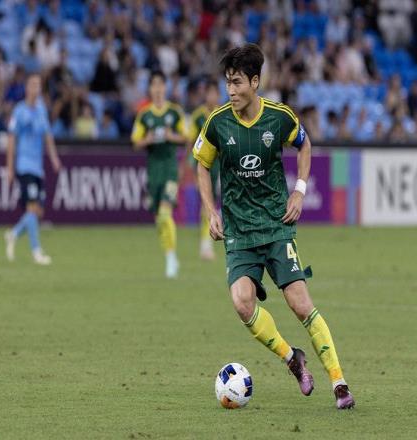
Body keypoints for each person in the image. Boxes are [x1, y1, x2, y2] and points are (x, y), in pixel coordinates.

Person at [193, 43, 355, 409]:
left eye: (237, 82)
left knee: (300, 305)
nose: (231, 90)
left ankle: (339, 382)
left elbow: (305, 145)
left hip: (275, 226)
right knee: (242, 303)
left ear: (255, 82)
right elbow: (202, 163)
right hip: (239, 232)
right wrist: (210, 210)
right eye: (227, 83)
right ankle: (291, 358)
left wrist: (300, 191)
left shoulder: (279, 118)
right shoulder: (217, 122)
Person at [131, 70, 187, 278]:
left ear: (165, 88)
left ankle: (171, 259)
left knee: (165, 213)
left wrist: (172, 136)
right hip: (153, 172)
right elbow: (135, 142)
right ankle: (169, 255)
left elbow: (186, 137)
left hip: (170, 169)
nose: (157, 89)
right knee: (159, 219)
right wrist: (147, 139)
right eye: (153, 85)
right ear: (150, 88)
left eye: (160, 85)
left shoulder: (175, 112)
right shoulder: (145, 114)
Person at [5, 74, 61, 265]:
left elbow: (47, 135)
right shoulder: (19, 111)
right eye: (33, 85)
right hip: (24, 165)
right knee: (31, 207)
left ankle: (13, 234)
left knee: (37, 212)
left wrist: (54, 158)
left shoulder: (42, 110)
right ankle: (36, 251)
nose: (36, 88)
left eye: (39, 85)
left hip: (38, 167)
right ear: (27, 88)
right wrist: (9, 168)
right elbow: (11, 139)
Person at [188, 79, 221, 260]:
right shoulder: (198, 116)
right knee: (206, 203)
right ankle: (206, 244)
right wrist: (188, 165)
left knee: (218, 203)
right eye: (209, 93)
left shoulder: (223, 114)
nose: (212, 96)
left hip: (221, 165)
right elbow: (190, 142)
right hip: (204, 165)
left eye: (215, 93)